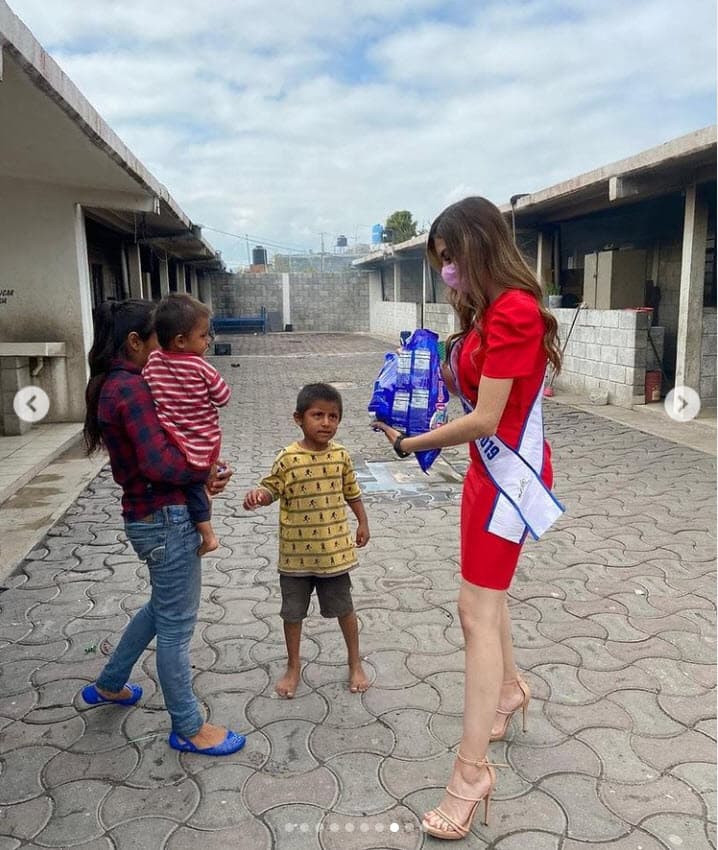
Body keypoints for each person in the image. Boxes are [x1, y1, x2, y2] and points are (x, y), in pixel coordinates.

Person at [372, 196, 563, 840]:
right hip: (486, 473)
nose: (445, 270)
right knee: (487, 602)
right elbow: (475, 400)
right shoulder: (487, 311)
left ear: (476, 247)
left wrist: (413, 444)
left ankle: (471, 770)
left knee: (475, 613)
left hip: (507, 477)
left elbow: (487, 419)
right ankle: (509, 692)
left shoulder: (513, 312)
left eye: (449, 258)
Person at [81, 298, 245, 756]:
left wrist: (201, 475)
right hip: (166, 517)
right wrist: (202, 474)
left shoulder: (121, 384)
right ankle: (188, 727)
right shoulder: (130, 390)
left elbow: (163, 453)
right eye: (156, 341)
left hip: (151, 514)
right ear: (136, 342)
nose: (164, 354)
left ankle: (111, 683)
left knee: (161, 608)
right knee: (176, 626)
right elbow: (158, 463)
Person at [243, 383, 371, 698]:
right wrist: (259, 496)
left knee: (345, 609)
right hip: (295, 556)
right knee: (292, 613)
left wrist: (363, 521)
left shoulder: (341, 455)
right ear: (298, 418)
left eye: (333, 416)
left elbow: (351, 491)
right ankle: (293, 665)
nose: (326, 423)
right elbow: (271, 487)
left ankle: (355, 662)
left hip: (334, 555)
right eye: (318, 415)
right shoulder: (288, 458)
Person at [143, 293, 231, 556]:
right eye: (203, 336)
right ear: (181, 340)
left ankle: (204, 525)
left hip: (173, 439)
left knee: (195, 484)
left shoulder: (153, 362)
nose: (208, 341)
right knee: (199, 484)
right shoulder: (201, 367)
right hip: (204, 439)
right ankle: (208, 535)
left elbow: (147, 389)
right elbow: (223, 397)